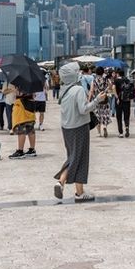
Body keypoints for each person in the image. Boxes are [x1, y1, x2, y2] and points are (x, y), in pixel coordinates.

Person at [54, 62, 100, 201]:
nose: (79, 73)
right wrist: (97, 100)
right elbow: (83, 109)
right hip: (79, 127)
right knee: (80, 158)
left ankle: (76, 190)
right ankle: (64, 183)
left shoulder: (64, 89)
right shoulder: (78, 89)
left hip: (66, 127)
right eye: (77, 71)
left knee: (73, 157)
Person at [8, 86, 38, 158]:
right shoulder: (32, 84)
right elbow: (34, 95)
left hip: (22, 107)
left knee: (21, 130)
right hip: (31, 106)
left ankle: (20, 151)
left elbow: (20, 94)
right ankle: (32, 149)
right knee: (31, 129)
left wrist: (14, 90)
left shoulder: (20, 84)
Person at [91, 66, 112, 137]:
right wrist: (106, 90)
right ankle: (104, 127)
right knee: (105, 115)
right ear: (103, 72)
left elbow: (91, 91)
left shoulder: (94, 81)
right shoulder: (106, 80)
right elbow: (110, 86)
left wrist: (89, 99)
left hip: (96, 101)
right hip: (105, 100)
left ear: (96, 72)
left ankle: (99, 133)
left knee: (97, 116)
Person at [114, 70, 133, 137]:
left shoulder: (116, 80)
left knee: (119, 117)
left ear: (118, 74)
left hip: (119, 101)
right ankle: (127, 127)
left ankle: (121, 133)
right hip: (127, 100)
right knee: (126, 115)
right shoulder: (127, 80)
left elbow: (113, 89)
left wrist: (117, 98)